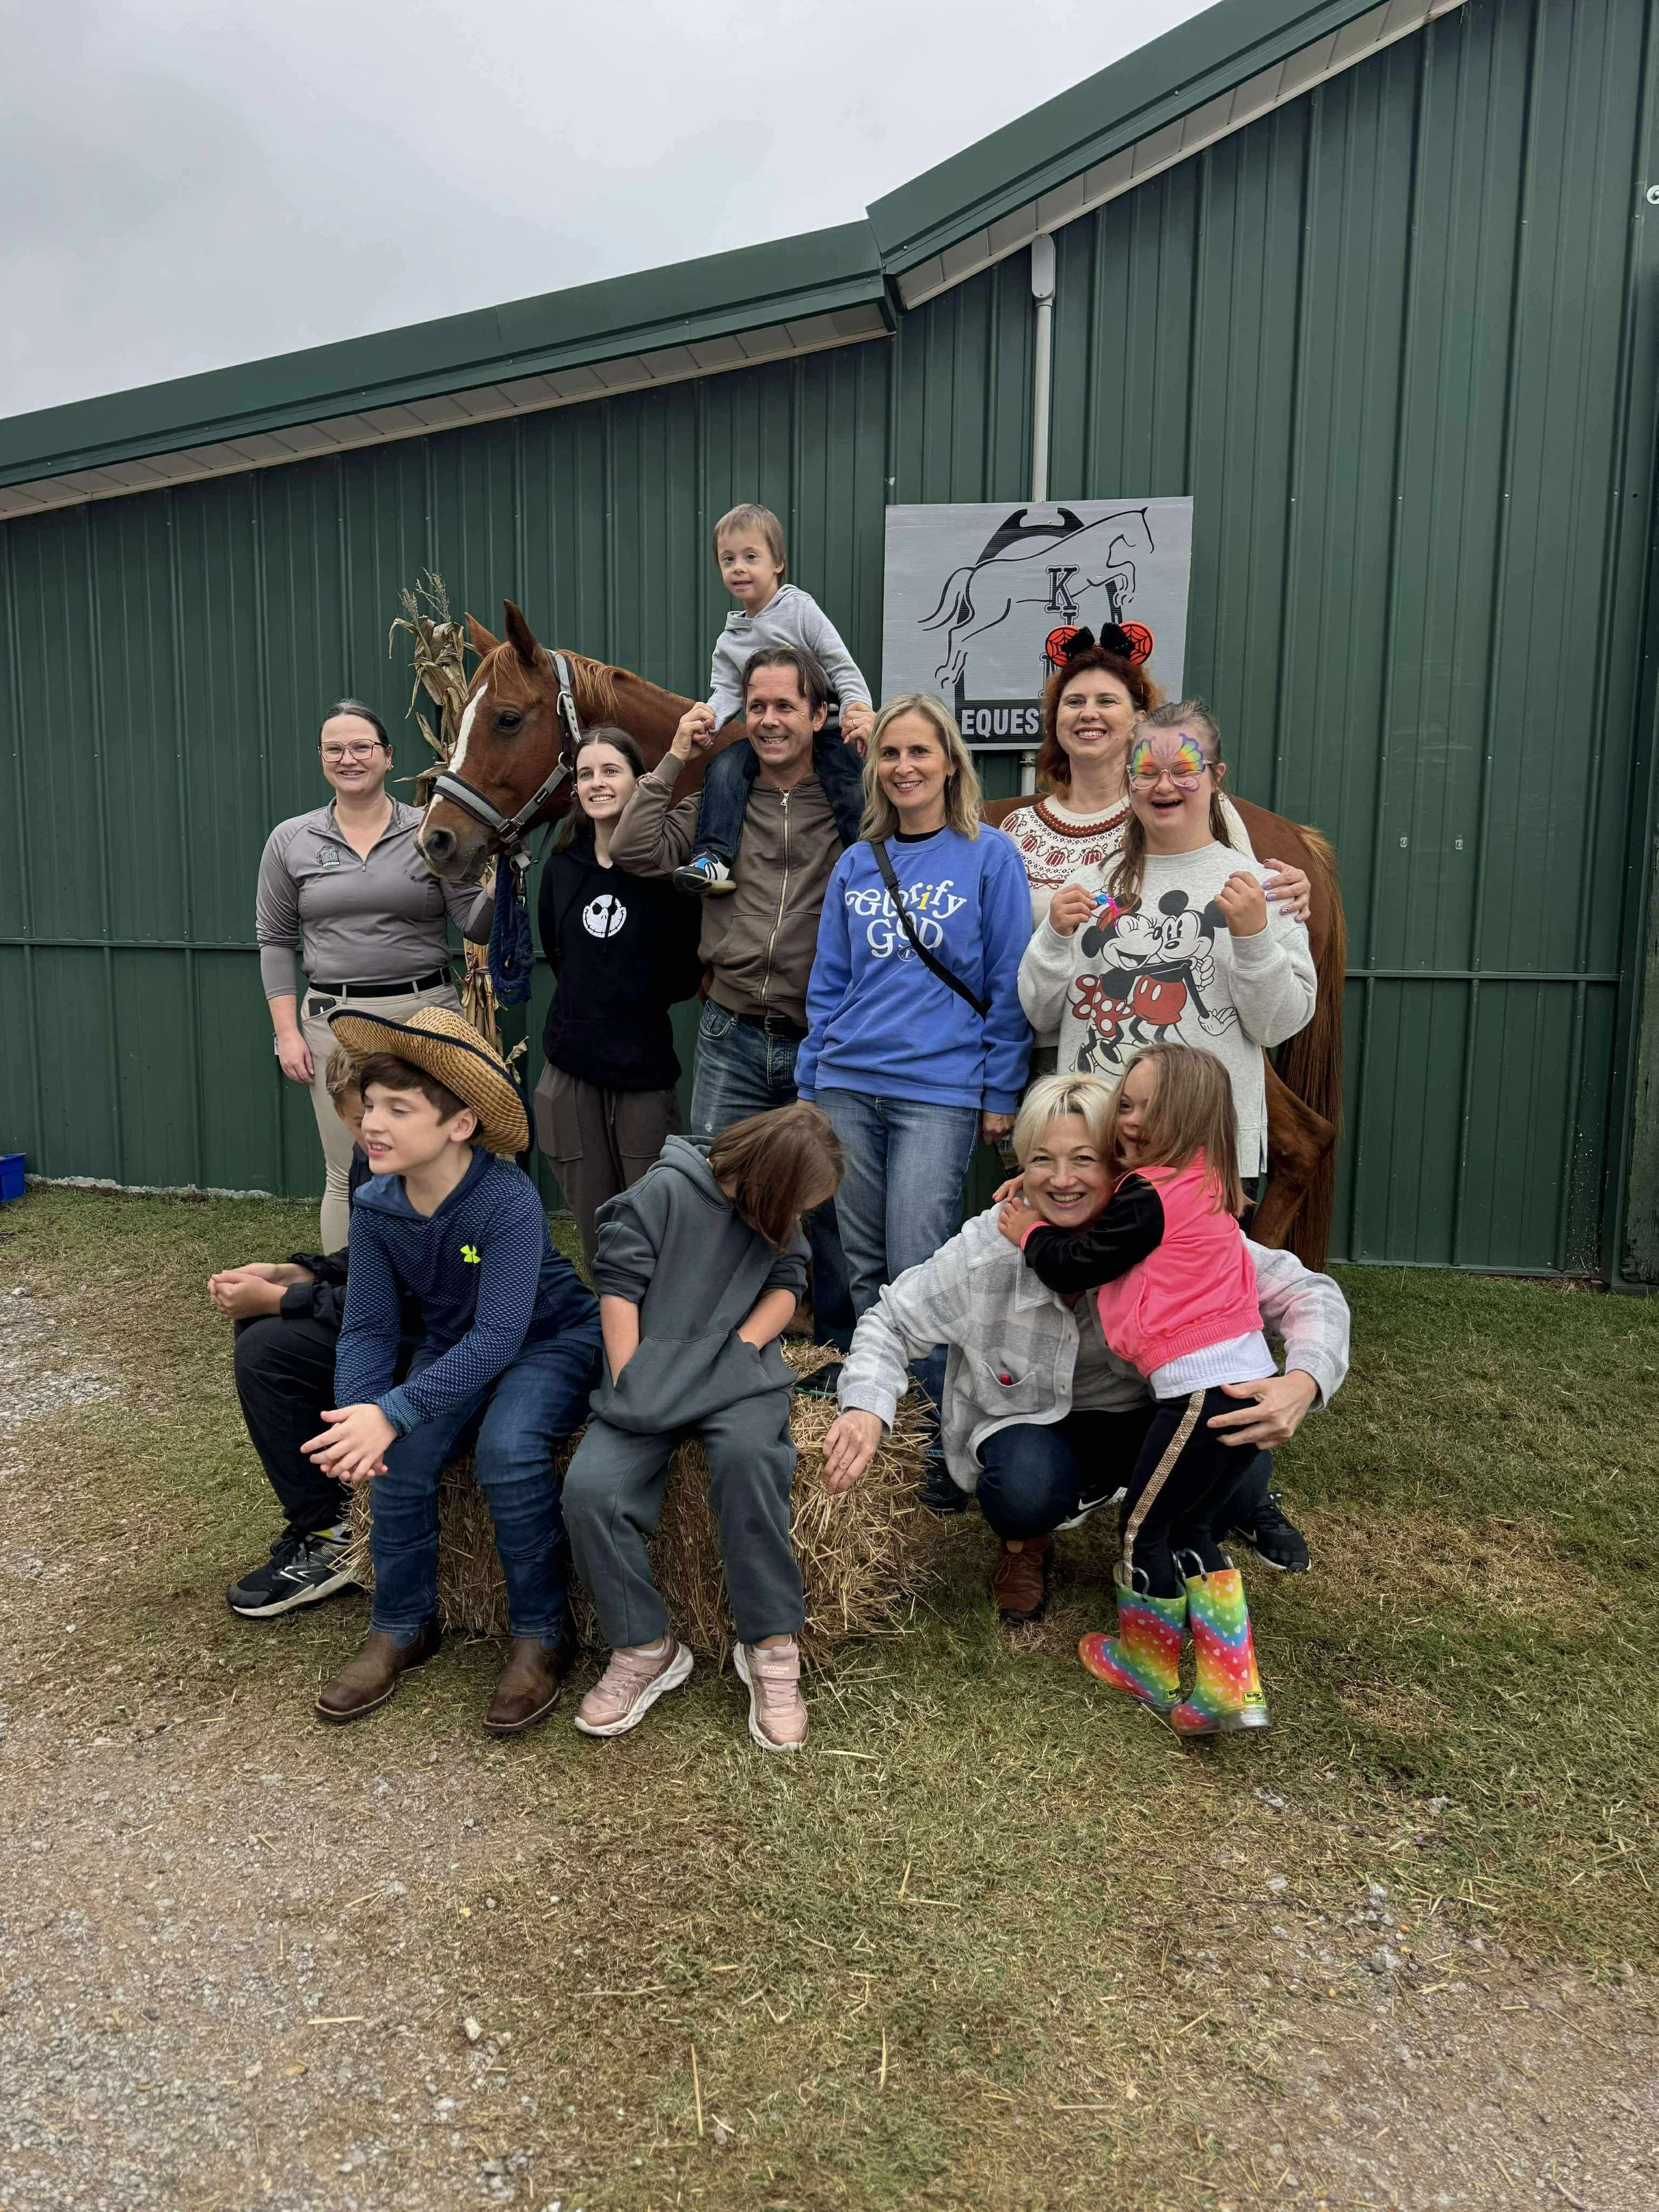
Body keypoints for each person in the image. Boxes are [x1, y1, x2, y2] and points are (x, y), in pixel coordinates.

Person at [820, 1072, 1347, 1631]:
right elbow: (890, 1320)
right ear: (1019, 1166)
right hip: (1034, 1426)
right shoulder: (987, 1248)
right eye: (1042, 1159)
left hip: (1149, 1415)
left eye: (1085, 1159)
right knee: (1022, 1485)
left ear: (1121, 1166)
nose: (1063, 1180)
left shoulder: (1167, 1225)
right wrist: (865, 1406)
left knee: (1243, 1465)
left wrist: (1305, 1380)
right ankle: (1028, 1546)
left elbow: (1308, 1290)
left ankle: (1199, 1559)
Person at [305, 1007, 603, 1735]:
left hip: (548, 1340)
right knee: (397, 1461)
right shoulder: (377, 1205)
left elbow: (502, 1336)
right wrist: (361, 1420)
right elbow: (370, 1326)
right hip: (454, 1342)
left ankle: (541, 1634)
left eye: (397, 1109)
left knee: (508, 1451)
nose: (372, 1123)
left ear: (459, 1125)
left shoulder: (506, 1199)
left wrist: (395, 1409)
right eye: (371, 1106)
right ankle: (401, 1626)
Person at [999, 1045, 1281, 1735]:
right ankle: (1229, 1690)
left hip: (1199, 1388)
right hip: (1241, 1379)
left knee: (1142, 1530)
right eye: (1123, 1104)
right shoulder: (1205, 1178)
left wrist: (1028, 1229)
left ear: (1187, 1113)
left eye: (1141, 1108)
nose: (1123, 1120)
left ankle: (1146, 1664)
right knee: (1190, 1527)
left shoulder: (1148, 1197)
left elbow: (1076, 1258)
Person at [562, 1103, 843, 1751]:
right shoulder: (664, 1191)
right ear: (767, 1184)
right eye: (799, 1203)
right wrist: (631, 1380)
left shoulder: (775, 1216)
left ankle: (771, 1646)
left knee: (751, 1462)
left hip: (733, 1372)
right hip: (652, 1368)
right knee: (591, 1491)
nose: (802, 1217)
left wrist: (743, 1348)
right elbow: (618, 1287)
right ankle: (645, 1647)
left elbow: (786, 1278)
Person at [611, 642, 856, 1347]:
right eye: (757, 708)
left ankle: (838, 1348)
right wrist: (669, 762)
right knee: (719, 1192)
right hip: (733, 1031)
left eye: (786, 706)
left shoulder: (849, 800)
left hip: (825, 1039)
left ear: (818, 714)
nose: (771, 720)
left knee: (831, 1203)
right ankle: (722, 1342)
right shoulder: (722, 793)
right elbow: (636, 849)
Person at [796, 692, 1031, 1425]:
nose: (904, 766)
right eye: (891, 753)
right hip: (846, 1084)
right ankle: (877, 1408)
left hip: (939, 1089)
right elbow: (829, 981)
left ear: (949, 763)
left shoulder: (989, 855)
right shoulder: (857, 864)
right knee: (863, 1260)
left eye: (919, 751)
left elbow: (1007, 981)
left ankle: (932, 1416)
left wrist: (1002, 1090)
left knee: (921, 1262)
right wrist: (810, 1081)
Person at [1019, 701, 1316, 1183]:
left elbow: (1279, 1026)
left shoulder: (1262, 890)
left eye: (1183, 770)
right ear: (1128, 780)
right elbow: (1040, 1013)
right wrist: (1052, 938)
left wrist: (1255, 939)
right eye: (1146, 770)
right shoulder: (1087, 884)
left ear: (1216, 776)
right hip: (1099, 1148)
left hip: (1209, 1157)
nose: (1163, 785)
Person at [999, 631, 1309, 1075]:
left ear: (1140, 718)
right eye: (1074, 702)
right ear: (1054, 719)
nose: (1089, 713)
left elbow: (1238, 895)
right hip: (1050, 1049)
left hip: (1172, 1050)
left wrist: (1291, 892)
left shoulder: (1185, 808)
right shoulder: (1017, 829)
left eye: (1107, 700)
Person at [257, 699, 476, 1250]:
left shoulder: (428, 830)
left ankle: (438, 1292)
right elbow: (276, 941)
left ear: (388, 757)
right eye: (335, 748)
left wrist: (503, 886)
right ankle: (350, 1300)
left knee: (438, 1160)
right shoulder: (292, 839)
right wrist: (287, 1032)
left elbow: (476, 922)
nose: (348, 758)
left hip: (426, 1014)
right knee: (349, 1169)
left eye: (362, 747)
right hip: (336, 1022)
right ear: (321, 758)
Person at [526, 725, 704, 1271]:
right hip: (573, 1069)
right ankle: (612, 1332)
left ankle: (659, 1333)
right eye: (585, 774)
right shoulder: (561, 871)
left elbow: (681, 975)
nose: (597, 783)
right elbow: (561, 956)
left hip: (642, 1073)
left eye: (611, 771)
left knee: (654, 1216)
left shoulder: (668, 875)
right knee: (594, 1218)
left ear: (639, 781)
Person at [211, 1049, 374, 1619]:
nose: (373, 1128)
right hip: (385, 1327)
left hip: (436, 1347)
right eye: (361, 1116)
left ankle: (331, 1535)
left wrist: (286, 1297)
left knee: (265, 1345)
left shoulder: (437, 1167)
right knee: (258, 1324)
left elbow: (403, 1296)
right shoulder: (368, 1156)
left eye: (386, 1110)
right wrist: (299, 1271)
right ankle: (332, 1508)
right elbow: (372, 1261)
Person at [670, 503, 875, 897]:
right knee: (725, 769)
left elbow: (841, 667)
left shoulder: (800, 611)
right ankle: (713, 857)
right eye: (728, 560)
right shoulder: (731, 638)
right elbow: (729, 690)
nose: (739, 568)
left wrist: (855, 710)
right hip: (769, 738)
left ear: (778, 562)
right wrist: (710, 716)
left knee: (850, 784)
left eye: (751, 557)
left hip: (827, 731)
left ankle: (868, 862)